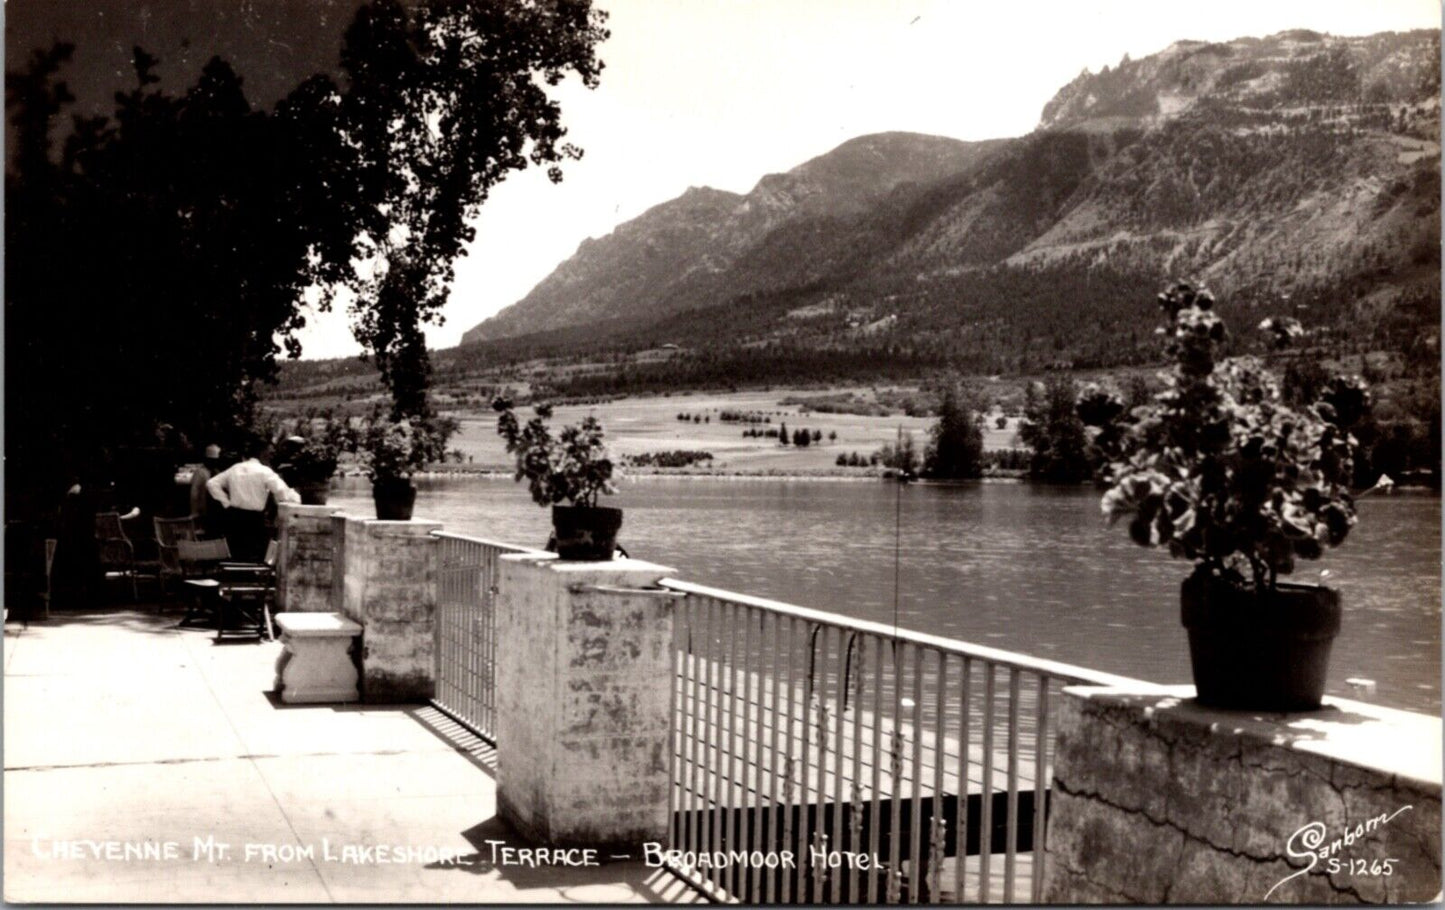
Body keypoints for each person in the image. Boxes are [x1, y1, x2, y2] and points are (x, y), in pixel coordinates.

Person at [206, 439, 299, 562]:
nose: (271, 457)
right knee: (255, 554)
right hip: (254, 519)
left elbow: (212, 483)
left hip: (234, 515)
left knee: (236, 553)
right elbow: (282, 492)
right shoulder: (264, 471)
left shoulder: (235, 468)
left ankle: (237, 578)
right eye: (269, 453)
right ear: (261, 454)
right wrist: (296, 499)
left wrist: (226, 503)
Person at [189, 444, 225, 538]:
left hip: (216, 510)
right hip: (204, 509)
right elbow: (194, 493)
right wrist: (195, 512)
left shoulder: (217, 472)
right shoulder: (200, 473)